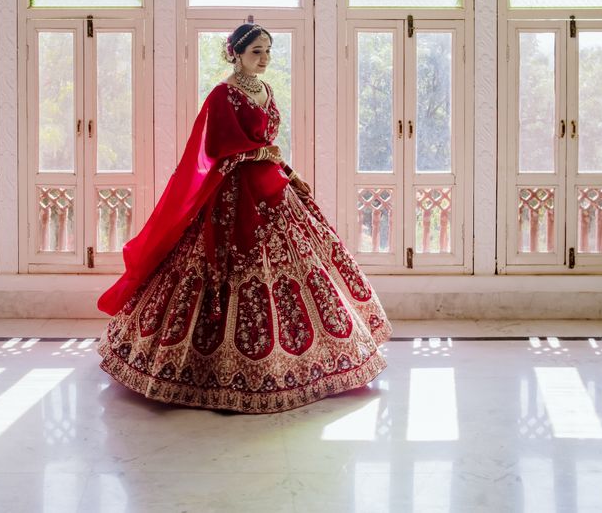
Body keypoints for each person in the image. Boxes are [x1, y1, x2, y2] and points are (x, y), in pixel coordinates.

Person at [97, 23, 392, 413]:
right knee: (222, 267)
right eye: (256, 51)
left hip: (272, 186)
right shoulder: (223, 94)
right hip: (232, 194)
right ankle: (205, 370)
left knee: (304, 262)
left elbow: (266, 143)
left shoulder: (265, 89)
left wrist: (286, 167)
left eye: (268, 50)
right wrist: (260, 156)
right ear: (235, 53)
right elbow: (219, 147)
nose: (264, 58)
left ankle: (308, 363)